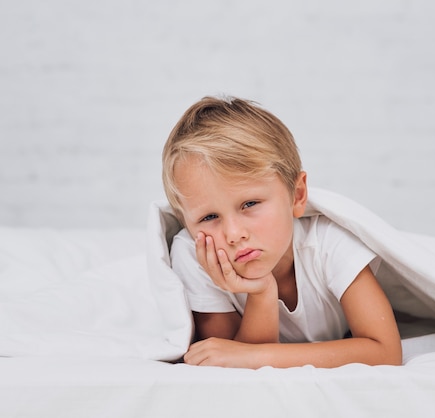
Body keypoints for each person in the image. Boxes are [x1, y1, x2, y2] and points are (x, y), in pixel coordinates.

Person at [162, 96, 402, 368]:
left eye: (250, 204)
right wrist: (262, 292)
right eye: (209, 217)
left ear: (297, 195)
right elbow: (225, 359)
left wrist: (259, 356)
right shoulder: (194, 254)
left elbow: (386, 351)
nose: (233, 234)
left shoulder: (329, 243)